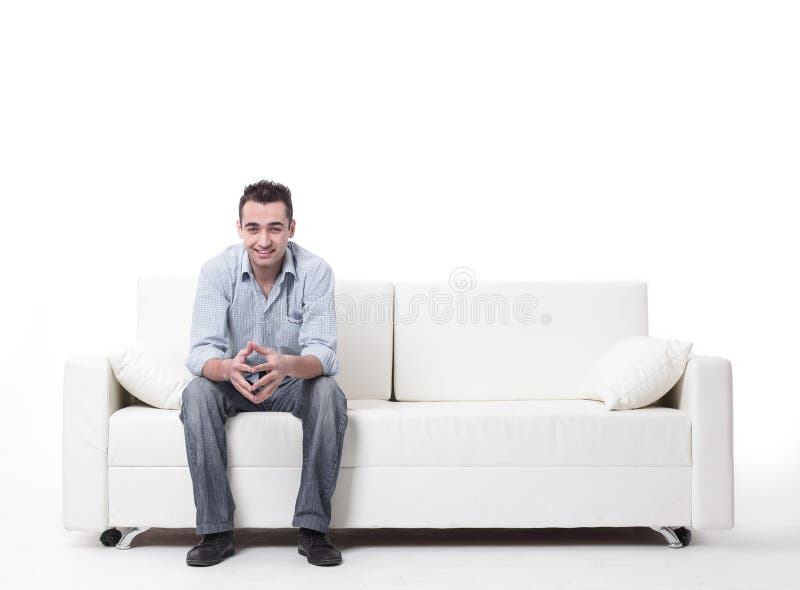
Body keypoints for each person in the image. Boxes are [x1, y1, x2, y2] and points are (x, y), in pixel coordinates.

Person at [179, 180, 348, 567]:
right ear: (239, 228)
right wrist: (226, 368)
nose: (264, 240)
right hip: (233, 383)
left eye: (275, 227)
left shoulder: (315, 271)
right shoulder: (216, 271)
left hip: (290, 383)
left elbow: (323, 353)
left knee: (328, 392)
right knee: (197, 392)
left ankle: (313, 529)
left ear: (291, 228)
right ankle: (216, 530)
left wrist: (287, 364)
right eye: (253, 228)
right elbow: (201, 350)